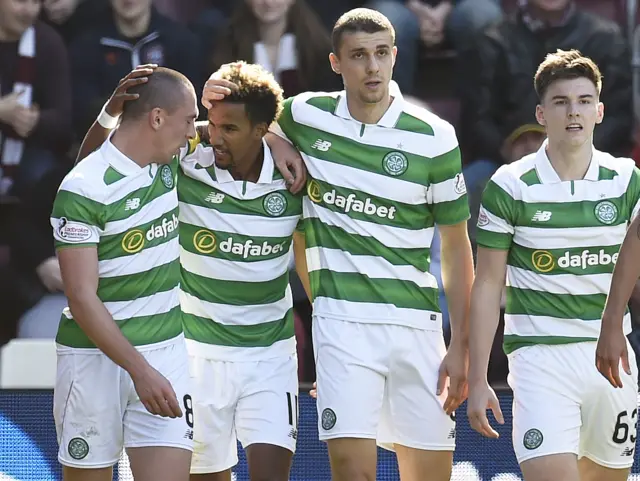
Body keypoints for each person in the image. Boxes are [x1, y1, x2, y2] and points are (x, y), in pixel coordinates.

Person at [204, 8, 474, 481]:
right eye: (358, 56)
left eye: (381, 54)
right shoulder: (306, 114)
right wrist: (276, 138)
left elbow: (455, 246)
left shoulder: (435, 137)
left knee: (428, 474)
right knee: (353, 472)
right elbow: (246, 118)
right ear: (335, 62)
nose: (372, 67)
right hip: (340, 324)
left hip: (416, 324)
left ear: (395, 56)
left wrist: (462, 345)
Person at [75, 62, 309, 481]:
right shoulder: (187, 159)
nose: (213, 137)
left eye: (230, 130)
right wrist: (110, 114)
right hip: (197, 354)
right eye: (211, 125)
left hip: (270, 355)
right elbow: (94, 168)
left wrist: (278, 139)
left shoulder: (293, 177)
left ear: (261, 130)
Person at [467, 49, 640, 481]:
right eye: (561, 102)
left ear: (599, 111)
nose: (574, 112)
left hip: (613, 358)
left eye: (584, 101)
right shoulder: (510, 185)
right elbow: (487, 284)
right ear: (542, 114)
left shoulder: (626, 179)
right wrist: (476, 376)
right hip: (540, 358)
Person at [50, 67, 198, 481]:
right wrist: (139, 370)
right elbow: (81, 298)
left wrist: (276, 140)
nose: (195, 132)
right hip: (92, 362)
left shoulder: (170, 160)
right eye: (189, 120)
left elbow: (235, 128)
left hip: (164, 351)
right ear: (156, 119)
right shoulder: (82, 188)